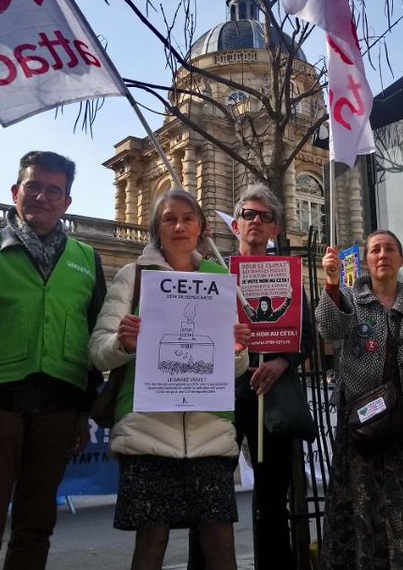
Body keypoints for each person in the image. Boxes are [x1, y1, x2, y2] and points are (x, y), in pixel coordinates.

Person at [0, 151, 107, 570]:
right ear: (16, 192)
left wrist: (84, 411)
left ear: (67, 201)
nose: (42, 197)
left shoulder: (87, 259)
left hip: (58, 407)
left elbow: (93, 340)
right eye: (33, 187)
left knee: (36, 525)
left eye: (54, 190)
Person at [90, 189, 251, 570]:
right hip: (148, 433)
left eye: (187, 218)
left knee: (221, 545)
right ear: (156, 229)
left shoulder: (219, 279)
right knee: (151, 544)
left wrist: (237, 350)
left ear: (201, 228)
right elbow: (97, 351)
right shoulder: (134, 276)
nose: (179, 226)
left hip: (210, 432)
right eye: (169, 218)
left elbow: (236, 369)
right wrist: (123, 342)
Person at [187, 184, 316, 570]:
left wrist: (282, 362)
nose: (256, 221)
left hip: (270, 402)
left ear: (275, 229)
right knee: (209, 500)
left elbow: (305, 337)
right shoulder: (215, 271)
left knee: (272, 503)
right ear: (236, 224)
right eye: (249, 214)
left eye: (265, 216)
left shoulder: (288, 275)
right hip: (222, 400)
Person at [316, 230, 403, 570]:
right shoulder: (350, 299)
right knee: (369, 511)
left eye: (390, 249)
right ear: (366, 260)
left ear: (401, 260)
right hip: (366, 433)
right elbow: (329, 329)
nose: (382, 255)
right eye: (375, 250)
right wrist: (332, 285)